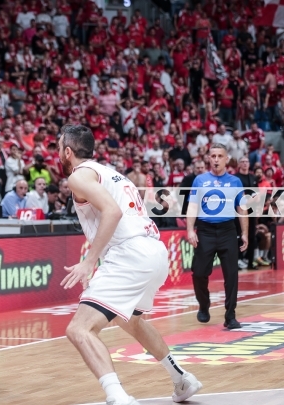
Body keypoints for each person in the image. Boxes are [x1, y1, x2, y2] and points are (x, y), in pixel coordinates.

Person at [58, 124, 202, 405]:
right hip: (154, 251)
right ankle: (182, 379)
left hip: (130, 254)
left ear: (67, 152)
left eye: (59, 147)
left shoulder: (79, 176)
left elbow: (112, 212)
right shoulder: (111, 173)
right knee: (132, 321)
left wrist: (89, 262)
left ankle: (118, 396)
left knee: (79, 329)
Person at [186, 143, 248, 330]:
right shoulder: (199, 180)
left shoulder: (235, 181)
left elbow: (242, 209)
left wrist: (244, 233)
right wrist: (190, 230)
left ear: (226, 159)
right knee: (199, 273)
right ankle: (204, 304)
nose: (216, 159)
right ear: (208, 158)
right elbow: (193, 206)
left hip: (228, 231)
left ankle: (230, 316)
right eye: (213, 156)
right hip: (205, 231)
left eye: (220, 156)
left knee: (232, 275)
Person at [233, 156, 258, 270]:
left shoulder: (253, 177)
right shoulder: (235, 178)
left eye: (246, 161)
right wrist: (248, 201)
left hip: (252, 211)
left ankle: (251, 262)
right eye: (242, 162)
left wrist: (256, 199)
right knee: (239, 235)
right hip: (239, 211)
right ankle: (237, 260)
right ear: (239, 164)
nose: (245, 163)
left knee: (252, 235)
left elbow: (256, 193)